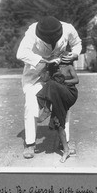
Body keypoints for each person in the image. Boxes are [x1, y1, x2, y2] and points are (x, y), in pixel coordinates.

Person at [16, 16, 82, 159]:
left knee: (64, 105)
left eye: (54, 39)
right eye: (48, 40)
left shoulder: (68, 28)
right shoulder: (32, 32)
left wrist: (74, 54)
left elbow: (77, 43)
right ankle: (30, 143)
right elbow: (21, 53)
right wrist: (43, 61)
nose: (52, 42)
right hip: (35, 74)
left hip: (58, 74)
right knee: (30, 104)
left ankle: (65, 141)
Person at [36, 58, 79, 163]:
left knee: (52, 84)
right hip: (59, 95)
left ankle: (46, 109)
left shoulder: (69, 67)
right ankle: (66, 150)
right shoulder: (53, 69)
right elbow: (43, 78)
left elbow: (76, 80)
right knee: (58, 120)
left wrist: (63, 82)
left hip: (70, 93)